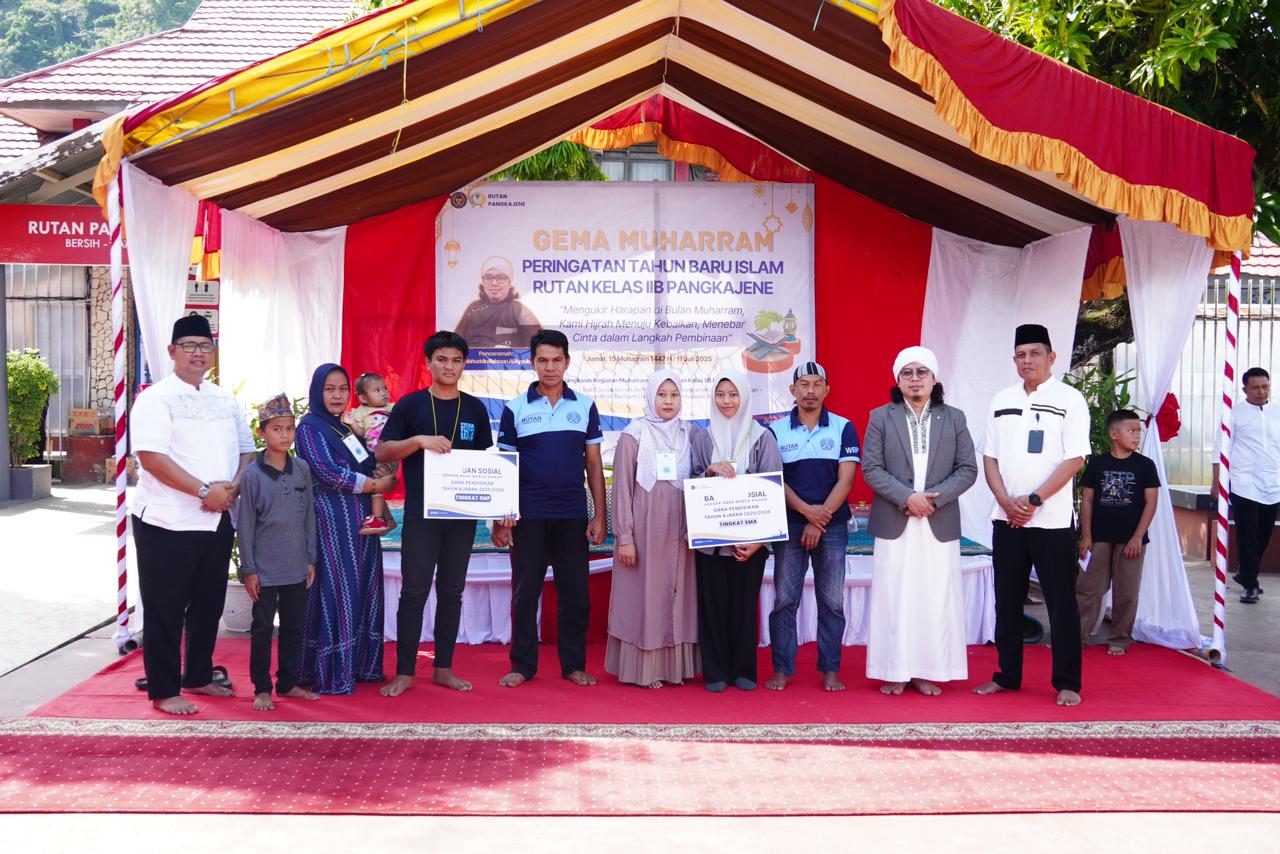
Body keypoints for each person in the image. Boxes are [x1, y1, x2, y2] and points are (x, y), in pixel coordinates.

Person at [129, 314, 256, 715]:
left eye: (205, 346)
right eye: (189, 346)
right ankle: (165, 690)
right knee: (165, 606)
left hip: (217, 518)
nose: (198, 353)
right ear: (171, 352)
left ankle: (198, 674)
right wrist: (205, 491)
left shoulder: (224, 398)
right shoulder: (155, 398)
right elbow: (150, 458)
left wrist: (231, 489)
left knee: (208, 602)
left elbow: (247, 450)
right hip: (166, 520)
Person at [975, 324, 1090, 707]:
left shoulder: (1070, 400)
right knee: (1007, 599)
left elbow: (1075, 458)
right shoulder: (1001, 399)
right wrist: (1006, 500)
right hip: (1006, 517)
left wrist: (1034, 500)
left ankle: (1067, 682)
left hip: (1052, 521)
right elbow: (989, 457)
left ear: (1051, 357)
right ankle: (1007, 676)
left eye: (1035, 354)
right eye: (1021, 355)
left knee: (1060, 602)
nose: (1028, 361)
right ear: (1014, 360)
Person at [376, 331, 494, 696]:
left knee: (452, 592)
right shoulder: (410, 405)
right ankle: (405, 672)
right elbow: (383, 452)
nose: (449, 366)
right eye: (441, 359)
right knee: (413, 592)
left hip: (461, 516)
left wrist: (497, 509)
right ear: (428, 363)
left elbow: (487, 464)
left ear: (464, 365)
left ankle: (443, 668)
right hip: (421, 517)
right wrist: (418, 441)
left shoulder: (475, 408)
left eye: (456, 360)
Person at [492, 329, 606, 687]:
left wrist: (599, 515)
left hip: (572, 515)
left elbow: (593, 464)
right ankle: (522, 666)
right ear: (532, 363)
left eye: (557, 360)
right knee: (525, 594)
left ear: (567, 362)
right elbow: (505, 467)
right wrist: (503, 517)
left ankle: (573, 665)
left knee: (576, 595)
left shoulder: (584, 405)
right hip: (529, 516)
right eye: (542, 360)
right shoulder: (515, 408)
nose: (550, 367)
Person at [862, 347, 977, 695]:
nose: (915, 379)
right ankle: (894, 670)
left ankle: (929, 670)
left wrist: (932, 500)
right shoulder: (881, 416)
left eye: (921, 372)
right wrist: (907, 497)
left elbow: (968, 469)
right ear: (897, 380)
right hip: (895, 519)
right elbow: (871, 467)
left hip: (937, 520)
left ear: (934, 378)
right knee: (894, 595)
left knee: (934, 595)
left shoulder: (954, 417)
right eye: (907, 373)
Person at [295, 363, 397, 694]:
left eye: (342, 389)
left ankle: (359, 666)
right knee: (337, 590)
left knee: (363, 587)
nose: (337, 395)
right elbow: (328, 473)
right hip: (332, 521)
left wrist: (384, 471)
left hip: (362, 523)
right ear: (317, 392)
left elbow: (366, 461)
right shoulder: (309, 429)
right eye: (329, 389)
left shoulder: (343, 429)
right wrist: (373, 484)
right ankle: (331, 671)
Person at [765, 361, 859, 692]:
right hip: (789, 524)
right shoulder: (775, 431)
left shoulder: (843, 427)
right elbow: (774, 480)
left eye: (817, 384)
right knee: (784, 600)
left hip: (830, 527)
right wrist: (806, 512)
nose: (810, 390)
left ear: (827, 390)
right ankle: (781, 668)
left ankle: (830, 668)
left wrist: (818, 522)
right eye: (803, 384)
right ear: (792, 390)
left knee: (831, 601)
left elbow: (846, 481)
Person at [606, 370, 701, 688]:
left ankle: (674, 669)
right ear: (650, 396)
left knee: (677, 596)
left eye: (674, 395)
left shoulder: (692, 433)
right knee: (646, 597)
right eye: (662, 395)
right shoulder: (633, 435)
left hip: (681, 529)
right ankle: (644, 671)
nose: (668, 402)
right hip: (645, 532)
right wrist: (625, 538)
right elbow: (621, 490)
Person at [690, 371, 783, 692]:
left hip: (750, 545)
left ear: (744, 396)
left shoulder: (761, 437)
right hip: (710, 544)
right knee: (712, 605)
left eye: (733, 394)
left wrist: (759, 541)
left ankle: (743, 669)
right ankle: (715, 672)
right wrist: (709, 470)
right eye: (721, 394)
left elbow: (773, 487)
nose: (727, 401)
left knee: (744, 606)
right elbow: (690, 482)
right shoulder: (702, 438)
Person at [237, 393, 320, 711]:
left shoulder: (301, 469)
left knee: (294, 626)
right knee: (261, 628)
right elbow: (245, 525)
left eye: (289, 429)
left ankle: (287, 682)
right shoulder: (253, 476)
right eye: (277, 429)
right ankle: (261, 687)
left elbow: (309, 515)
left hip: (297, 564)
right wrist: (249, 569)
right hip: (265, 569)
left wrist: (310, 557)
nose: (284, 435)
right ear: (262, 432)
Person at [1076, 409, 1160, 655]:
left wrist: (1137, 536)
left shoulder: (1145, 465)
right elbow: (1088, 501)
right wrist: (1087, 535)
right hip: (1099, 537)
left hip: (1131, 540)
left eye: (1138, 431)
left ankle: (1120, 638)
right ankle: (1077, 637)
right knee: (1087, 588)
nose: (1137, 436)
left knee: (1127, 591)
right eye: (1131, 430)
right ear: (1114, 434)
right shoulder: (1097, 463)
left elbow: (1151, 503)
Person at [1216, 367, 1280, 604]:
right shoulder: (1233, 414)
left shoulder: (1277, 412)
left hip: (1272, 484)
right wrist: (1217, 483)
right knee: (1248, 535)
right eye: (1255, 387)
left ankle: (1244, 571)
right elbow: (1219, 451)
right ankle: (1251, 584)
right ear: (1244, 390)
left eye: (1265, 386)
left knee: (1264, 532)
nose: (1261, 392)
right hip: (1244, 483)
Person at [344, 371, 396, 536]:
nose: (383, 393)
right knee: (375, 486)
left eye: (384, 388)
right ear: (364, 398)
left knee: (377, 486)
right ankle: (385, 519)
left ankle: (378, 519)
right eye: (377, 390)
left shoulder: (393, 408)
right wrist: (351, 423)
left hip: (388, 455)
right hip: (370, 457)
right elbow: (360, 433)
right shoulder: (359, 412)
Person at [454, 256, 542, 348]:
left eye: (501, 277)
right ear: (483, 282)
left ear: (509, 282)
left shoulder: (520, 311)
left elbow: (537, 348)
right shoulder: (473, 308)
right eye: (488, 278)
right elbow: (455, 345)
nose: (494, 283)